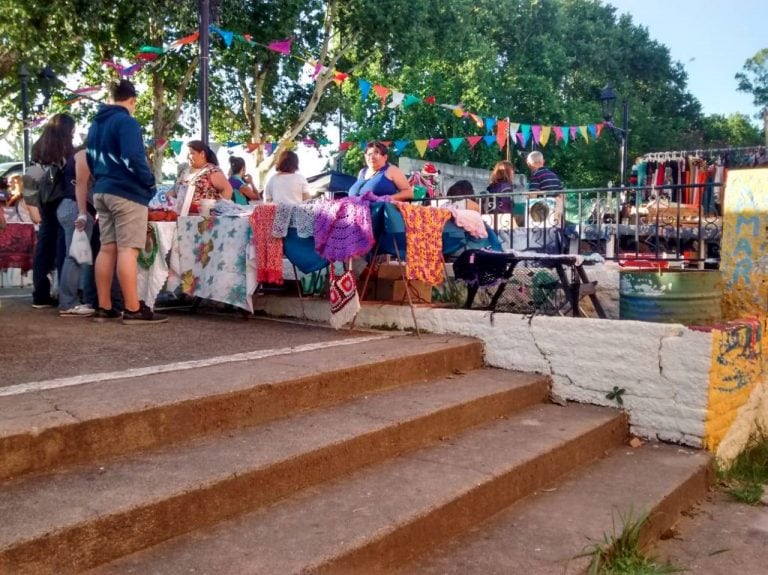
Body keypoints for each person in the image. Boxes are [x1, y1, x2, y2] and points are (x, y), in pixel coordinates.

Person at [86, 79, 167, 324]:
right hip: (126, 192)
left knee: (107, 248)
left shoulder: (95, 125)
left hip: (101, 189)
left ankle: (104, 306)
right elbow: (133, 156)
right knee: (127, 250)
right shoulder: (127, 122)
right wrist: (149, 181)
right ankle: (133, 309)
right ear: (132, 100)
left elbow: (89, 158)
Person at [29, 113, 71, 309]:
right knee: (62, 246)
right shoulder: (64, 151)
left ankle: (40, 293)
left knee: (44, 247)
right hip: (60, 200)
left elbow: (31, 176)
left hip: (44, 202)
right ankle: (63, 292)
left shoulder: (39, 148)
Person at [179, 140, 232, 214]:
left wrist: (216, 209)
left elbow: (228, 190)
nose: (188, 157)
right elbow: (175, 191)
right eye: (187, 154)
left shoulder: (211, 170)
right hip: (184, 215)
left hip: (205, 218)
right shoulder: (185, 172)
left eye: (191, 153)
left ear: (202, 154)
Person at [347, 141, 414, 201]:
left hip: (380, 213)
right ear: (365, 156)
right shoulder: (362, 172)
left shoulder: (392, 170)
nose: (372, 157)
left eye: (376, 153)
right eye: (369, 154)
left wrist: (388, 198)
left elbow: (408, 193)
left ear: (385, 157)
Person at [525, 150, 564, 226]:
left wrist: (526, 197)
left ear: (529, 164)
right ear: (543, 161)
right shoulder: (554, 175)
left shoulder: (535, 176)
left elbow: (533, 196)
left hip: (543, 213)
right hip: (556, 211)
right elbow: (562, 195)